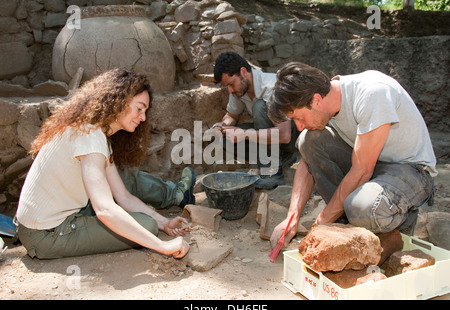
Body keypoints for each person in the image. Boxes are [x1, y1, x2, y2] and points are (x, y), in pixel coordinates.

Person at [15, 69, 195, 259]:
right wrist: (162, 246)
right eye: (139, 108)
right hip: (46, 233)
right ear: (118, 101)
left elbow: (123, 196)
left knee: (147, 218)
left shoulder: (94, 131)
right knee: (145, 226)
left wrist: (163, 222)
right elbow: (104, 209)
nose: (142, 118)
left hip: (39, 225)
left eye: (145, 111)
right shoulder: (91, 138)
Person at [268, 62, 436, 248]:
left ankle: (399, 223)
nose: (298, 126)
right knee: (308, 140)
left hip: (410, 171)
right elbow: (306, 163)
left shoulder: (373, 93)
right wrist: (292, 218)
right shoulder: (330, 99)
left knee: (364, 208)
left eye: (299, 118)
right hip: (371, 167)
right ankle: (345, 223)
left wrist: (321, 223)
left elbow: (362, 170)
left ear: (316, 100)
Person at [212, 51, 300, 189]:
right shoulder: (239, 90)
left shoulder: (271, 86)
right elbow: (232, 115)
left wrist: (245, 134)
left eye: (231, 84)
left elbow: (284, 134)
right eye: (226, 87)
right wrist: (222, 126)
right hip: (272, 135)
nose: (230, 90)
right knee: (226, 139)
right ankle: (281, 158)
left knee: (260, 107)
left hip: (292, 135)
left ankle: (273, 175)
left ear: (243, 72)